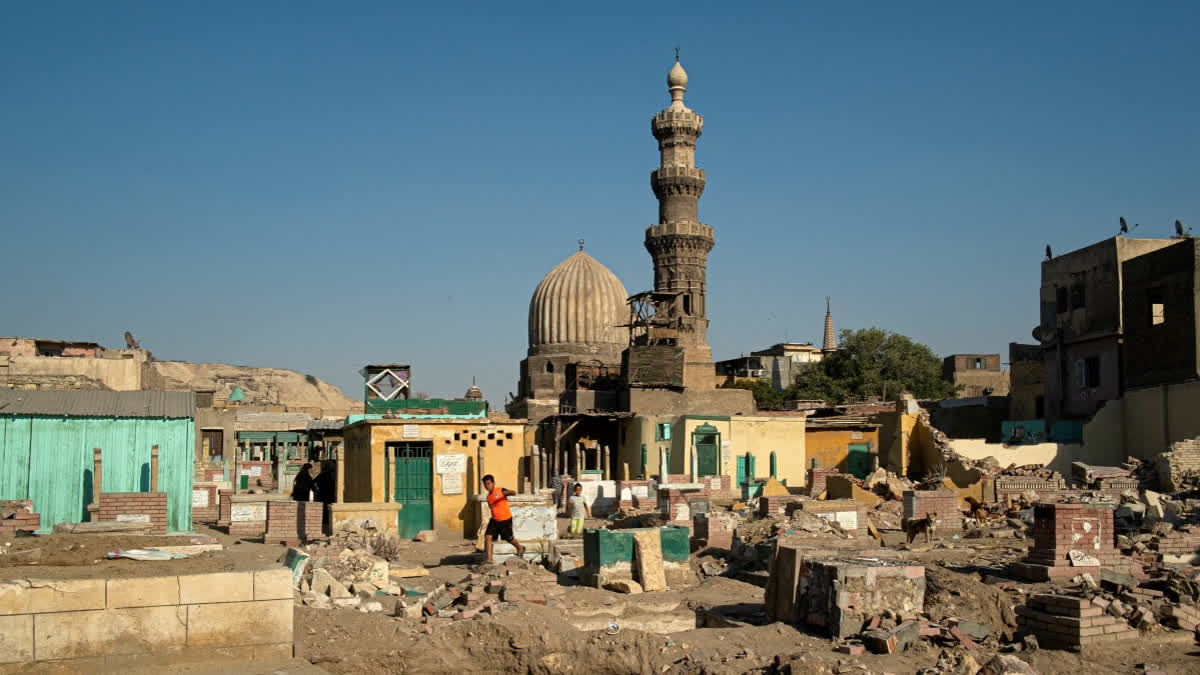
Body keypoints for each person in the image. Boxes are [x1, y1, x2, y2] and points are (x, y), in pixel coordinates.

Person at [482, 474, 524, 564]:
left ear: (493, 483)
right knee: (488, 537)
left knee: (509, 539)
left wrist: (509, 492)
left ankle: (520, 547)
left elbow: (513, 492)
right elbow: (491, 508)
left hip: (505, 520)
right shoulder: (488, 497)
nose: (487, 486)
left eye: (489, 483)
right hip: (494, 520)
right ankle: (489, 559)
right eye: (485, 484)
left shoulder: (500, 490)